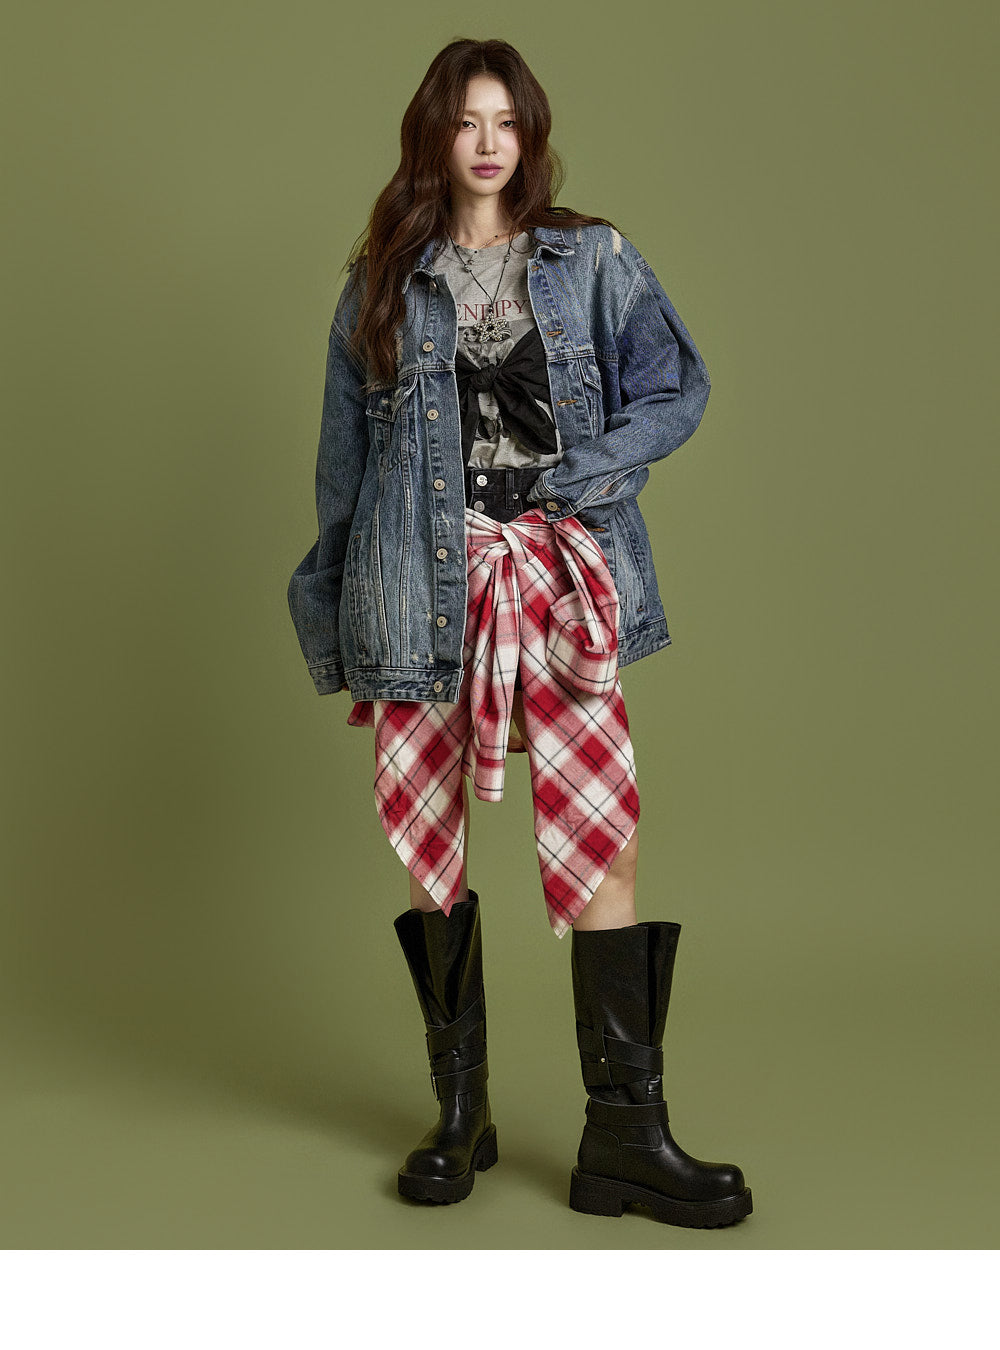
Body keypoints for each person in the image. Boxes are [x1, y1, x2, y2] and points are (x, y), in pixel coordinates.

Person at [286, 37, 753, 1228]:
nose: (489, 142)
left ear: (528, 134)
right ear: (433, 136)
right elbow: (342, 471)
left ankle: (625, 1138)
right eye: (467, 121)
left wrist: (584, 476)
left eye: (507, 121)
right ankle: (461, 1113)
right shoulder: (381, 284)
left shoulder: (590, 258)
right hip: (416, 579)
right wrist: (338, 624)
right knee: (430, 842)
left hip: (555, 575)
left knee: (606, 834)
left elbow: (676, 386)